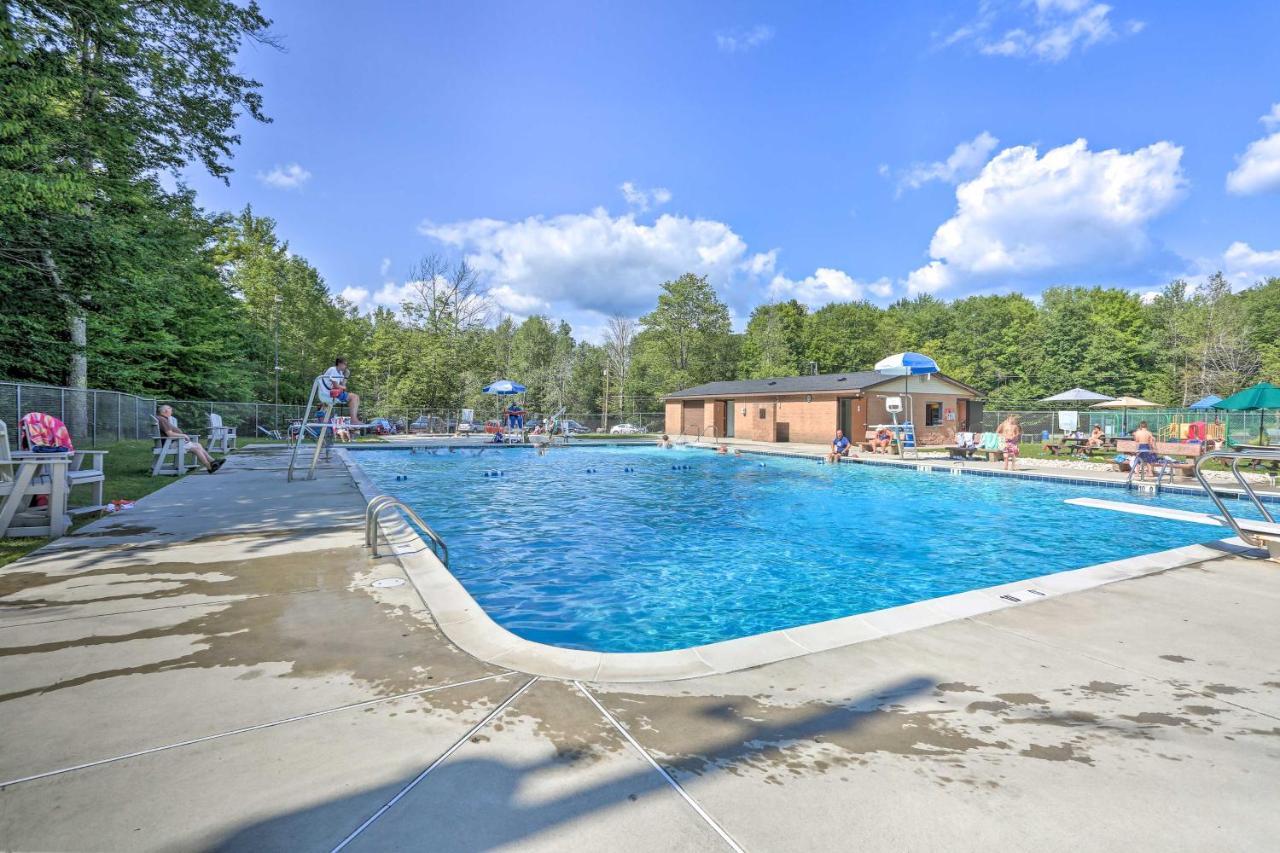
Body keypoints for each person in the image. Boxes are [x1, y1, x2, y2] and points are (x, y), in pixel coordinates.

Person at [157, 405, 224, 473]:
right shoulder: (162, 420)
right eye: (170, 409)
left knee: (198, 445)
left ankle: (213, 461)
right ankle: (209, 467)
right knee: (196, 449)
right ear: (165, 411)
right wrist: (183, 435)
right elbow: (170, 434)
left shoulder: (162, 419)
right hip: (170, 444)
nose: (171, 411)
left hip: (172, 442)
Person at [321, 357, 362, 425]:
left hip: (335, 392)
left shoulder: (339, 372)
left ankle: (354, 419)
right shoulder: (333, 369)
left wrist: (346, 377)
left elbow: (342, 385)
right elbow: (336, 385)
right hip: (329, 393)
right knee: (353, 397)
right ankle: (354, 420)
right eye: (345, 364)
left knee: (356, 397)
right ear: (339, 363)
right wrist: (343, 387)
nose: (346, 366)